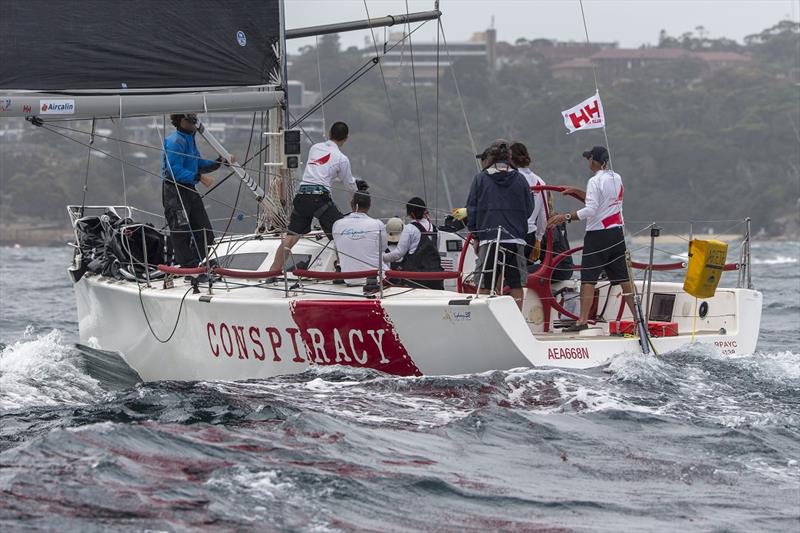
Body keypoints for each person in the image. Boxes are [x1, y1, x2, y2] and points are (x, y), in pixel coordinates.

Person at [547, 145, 636, 332]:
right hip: (617, 233)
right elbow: (603, 203)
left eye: (588, 158)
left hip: (598, 235)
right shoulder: (616, 177)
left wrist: (565, 217)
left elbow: (591, 210)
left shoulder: (594, 181)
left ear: (593, 161)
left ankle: (582, 321)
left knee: (588, 279)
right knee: (623, 277)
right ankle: (638, 319)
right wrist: (576, 191)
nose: (587, 161)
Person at [268, 121, 367, 273]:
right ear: (346, 138)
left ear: (329, 132)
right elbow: (349, 185)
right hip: (319, 199)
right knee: (340, 232)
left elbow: (322, 172)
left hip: (301, 197)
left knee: (291, 237)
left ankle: (273, 270)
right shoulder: (342, 159)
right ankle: (342, 269)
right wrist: (356, 204)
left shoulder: (315, 148)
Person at [465, 139, 534, 310]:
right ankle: (517, 321)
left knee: (485, 282)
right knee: (516, 284)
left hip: (489, 239)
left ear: (491, 157)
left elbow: (471, 209)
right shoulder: (520, 179)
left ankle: (486, 320)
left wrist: (475, 235)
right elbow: (529, 208)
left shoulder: (480, 179)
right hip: (515, 238)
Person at [161, 113, 231, 267]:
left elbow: (198, 163)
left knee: (204, 230)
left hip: (189, 189)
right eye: (189, 120)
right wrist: (199, 177)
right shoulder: (175, 141)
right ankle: (188, 267)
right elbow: (174, 171)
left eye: (194, 120)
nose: (193, 123)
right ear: (180, 121)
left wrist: (219, 161)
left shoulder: (189, 138)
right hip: (175, 191)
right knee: (181, 230)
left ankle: (202, 262)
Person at [383, 197, 444, 289]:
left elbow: (398, 254)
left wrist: (382, 258)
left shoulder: (410, 228)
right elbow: (436, 250)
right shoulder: (436, 230)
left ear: (410, 214)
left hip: (415, 278)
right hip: (435, 277)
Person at [331, 191, 388, 287]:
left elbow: (337, 247)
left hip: (349, 279)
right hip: (375, 279)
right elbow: (383, 248)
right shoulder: (377, 224)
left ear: (351, 204)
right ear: (369, 205)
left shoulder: (337, 224)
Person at [510, 141, 547, 266]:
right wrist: (538, 239)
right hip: (531, 236)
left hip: (512, 235)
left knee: (506, 275)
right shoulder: (540, 181)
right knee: (523, 276)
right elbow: (543, 215)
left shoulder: (510, 179)